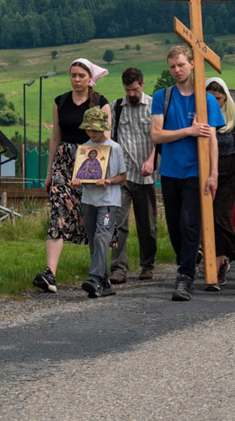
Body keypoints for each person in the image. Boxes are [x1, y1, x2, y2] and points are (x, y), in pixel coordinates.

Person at [150, 45, 223, 301]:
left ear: (192, 64)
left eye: (181, 65)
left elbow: (212, 137)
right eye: (172, 66)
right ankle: (189, 261)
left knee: (189, 222)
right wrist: (187, 131)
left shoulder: (206, 100)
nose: (176, 70)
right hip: (170, 171)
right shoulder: (163, 96)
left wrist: (214, 173)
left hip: (197, 171)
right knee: (173, 227)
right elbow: (156, 134)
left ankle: (186, 276)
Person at [34, 58, 110, 294]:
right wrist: (49, 172)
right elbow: (55, 137)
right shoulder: (61, 102)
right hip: (63, 163)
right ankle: (50, 273)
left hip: (90, 161)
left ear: (90, 78)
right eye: (73, 75)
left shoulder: (100, 102)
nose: (76, 80)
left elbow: (106, 137)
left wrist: (102, 171)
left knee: (91, 215)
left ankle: (98, 274)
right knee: (57, 210)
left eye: (81, 76)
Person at [109, 67, 157, 284]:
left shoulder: (154, 107)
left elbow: (159, 138)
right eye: (128, 90)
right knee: (118, 223)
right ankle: (118, 268)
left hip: (145, 175)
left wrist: (152, 159)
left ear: (143, 84)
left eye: (135, 89)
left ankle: (148, 265)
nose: (131, 94)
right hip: (121, 175)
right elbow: (109, 138)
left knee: (147, 224)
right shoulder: (116, 107)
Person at [73, 107, 127, 298]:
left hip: (108, 201)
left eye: (95, 130)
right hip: (88, 201)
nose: (92, 133)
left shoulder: (115, 148)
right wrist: (77, 181)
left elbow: (123, 176)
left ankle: (95, 278)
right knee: (94, 243)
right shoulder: (84, 149)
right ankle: (105, 284)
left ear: (103, 128)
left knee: (102, 236)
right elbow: (81, 174)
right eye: (89, 130)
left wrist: (109, 181)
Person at [206, 76, 235, 289]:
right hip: (206, 170)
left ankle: (234, 248)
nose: (215, 102)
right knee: (205, 217)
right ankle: (221, 259)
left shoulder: (234, 118)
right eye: (210, 98)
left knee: (219, 215)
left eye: (219, 98)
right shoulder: (201, 116)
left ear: (225, 98)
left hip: (230, 170)